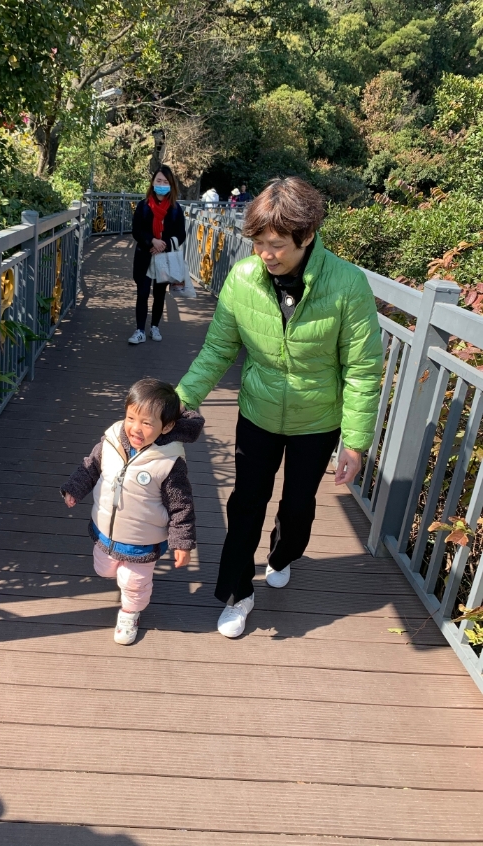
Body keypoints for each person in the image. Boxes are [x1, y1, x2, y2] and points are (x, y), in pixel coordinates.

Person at [176, 176, 382, 638]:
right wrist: (180, 400)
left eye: (276, 245)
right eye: (259, 244)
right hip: (258, 413)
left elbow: (363, 369)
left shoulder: (348, 284)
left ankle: (284, 553)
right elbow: (217, 351)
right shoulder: (244, 278)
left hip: (318, 420)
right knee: (245, 503)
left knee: (298, 507)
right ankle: (238, 593)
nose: (265, 254)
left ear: (307, 236)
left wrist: (355, 442)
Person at [61, 378, 204, 645]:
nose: (136, 429)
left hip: (143, 539)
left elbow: (181, 505)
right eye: (131, 418)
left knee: (133, 581)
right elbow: (91, 465)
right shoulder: (113, 439)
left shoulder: (169, 461)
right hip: (105, 530)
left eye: (147, 423)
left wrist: (182, 543)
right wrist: (74, 488)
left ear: (168, 426)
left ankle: (130, 612)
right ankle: (125, 582)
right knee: (104, 569)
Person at [128, 165, 186, 345]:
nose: (161, 184)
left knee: (160, 294)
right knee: (143, 293)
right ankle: (139, 330)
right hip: (145, 256)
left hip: (164, 257)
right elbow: (136, 231)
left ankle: (154, 326)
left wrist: (164, 244)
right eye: (158, 180)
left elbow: (181, 234)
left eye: (165, 181)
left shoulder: (176, 209)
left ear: (171, 185)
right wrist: (152, 241)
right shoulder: (143, 206)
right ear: (153, 182)